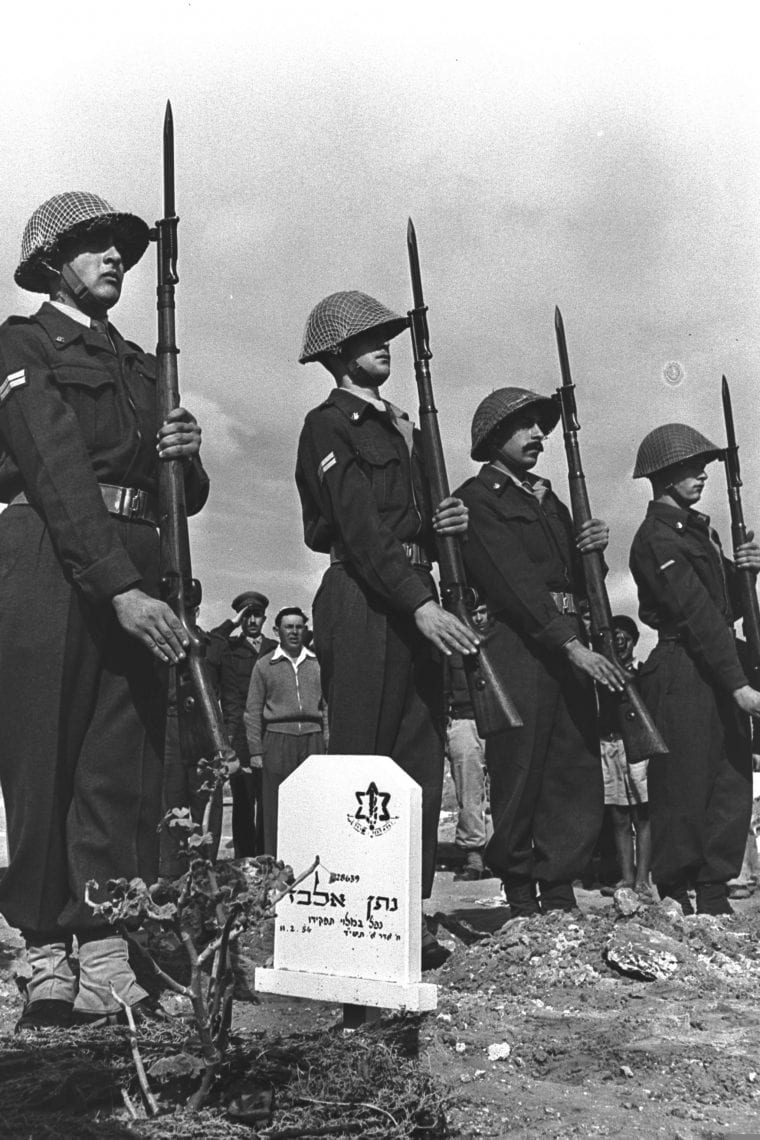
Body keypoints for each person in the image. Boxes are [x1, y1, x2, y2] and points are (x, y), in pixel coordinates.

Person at [0, 192, 208, 1029]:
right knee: (44, 747)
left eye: (123, 248)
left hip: (135, 557)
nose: (116, 259)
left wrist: (186, 460)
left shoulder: (139, 362)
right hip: (55, 557)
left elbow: (177, 497)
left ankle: (108, 944)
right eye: (94, 246)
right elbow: (52, 469)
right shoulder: (24, 343)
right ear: (52, 261)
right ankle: (45, 945)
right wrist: (115, 585)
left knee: (116, 761)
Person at [295, 291, 480, 968]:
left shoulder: (409, 428)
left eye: (386, 335)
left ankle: (409, 910)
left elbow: (421, 521)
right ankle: (353, 918)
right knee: (364, 762)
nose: (385, 344)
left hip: (416, 594)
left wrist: (450, 526)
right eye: (368, 337)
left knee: (420, 759)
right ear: (336, 353)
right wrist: (418, 603)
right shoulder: (329, 425)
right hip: (367, 597)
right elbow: (358, 528)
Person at [454, 388, 626, 917]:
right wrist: (570, 646)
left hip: (566, 639)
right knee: (521, 767)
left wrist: (591, 549)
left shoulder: (549, 499)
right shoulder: (478, 499)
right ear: (493, 439)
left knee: (571, 768)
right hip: (521, 647)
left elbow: (574, 581)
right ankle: (522, 893)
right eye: (523, 426)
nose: (538, 435)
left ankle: (558, 888)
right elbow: (516, 584)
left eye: (538, 425)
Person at [630, 423, 760, 915]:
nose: (702, 474)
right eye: (690, 466)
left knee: (728, 781)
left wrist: (746, 568)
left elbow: (728, 603)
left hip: (717, 661)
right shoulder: (657, 537)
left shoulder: (696, 532)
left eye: (702, 465)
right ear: (662, 475)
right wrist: (740, 685)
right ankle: (674, 893)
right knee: (684, 785)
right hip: (685, 665)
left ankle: (712, 891)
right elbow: (698, 615)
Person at [244, 607, 327, 855]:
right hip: (277, 741)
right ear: (277, 631)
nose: (294, 632)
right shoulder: (264, 665)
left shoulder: (317, 664)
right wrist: (256, 752)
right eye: (288, 627)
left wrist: (327, 741)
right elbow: (252, 711)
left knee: (312, 804)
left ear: (305, 630)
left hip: (313, 740)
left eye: (299, 627)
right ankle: (275, 863)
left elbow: (327, 707)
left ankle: (311, 860)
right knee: (274, 806)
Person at [208, 591, 277, 856]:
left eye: (256, 615)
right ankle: (245, 859)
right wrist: (231, 625)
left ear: (264, 618)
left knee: (269, 799)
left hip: (271, 734)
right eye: (246, 616)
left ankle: (268, 856)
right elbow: (210, 649)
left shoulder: (274, 648)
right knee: (244, 802)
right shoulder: (229, 648)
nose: (252, 621)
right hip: (240, 736)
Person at [598, 615, 652, 899]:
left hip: (636, 746)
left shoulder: (642, 674)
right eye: (614, 637)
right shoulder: (600, 675)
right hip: (607, 745)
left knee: (642, 814)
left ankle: (643, 879)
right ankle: (627, 878)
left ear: (633, 641)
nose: (620, 642)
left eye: (625, 638)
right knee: (618, 815)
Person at [444, 602, 492, 880]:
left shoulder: (502, 644)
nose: (478, 617)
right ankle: (474, 857)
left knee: (504, 790)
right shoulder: (451, 647)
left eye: (482, 611)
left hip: (502, 722)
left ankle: (501, 852)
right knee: (469, 792)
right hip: (463, 719)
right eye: (472, 612)